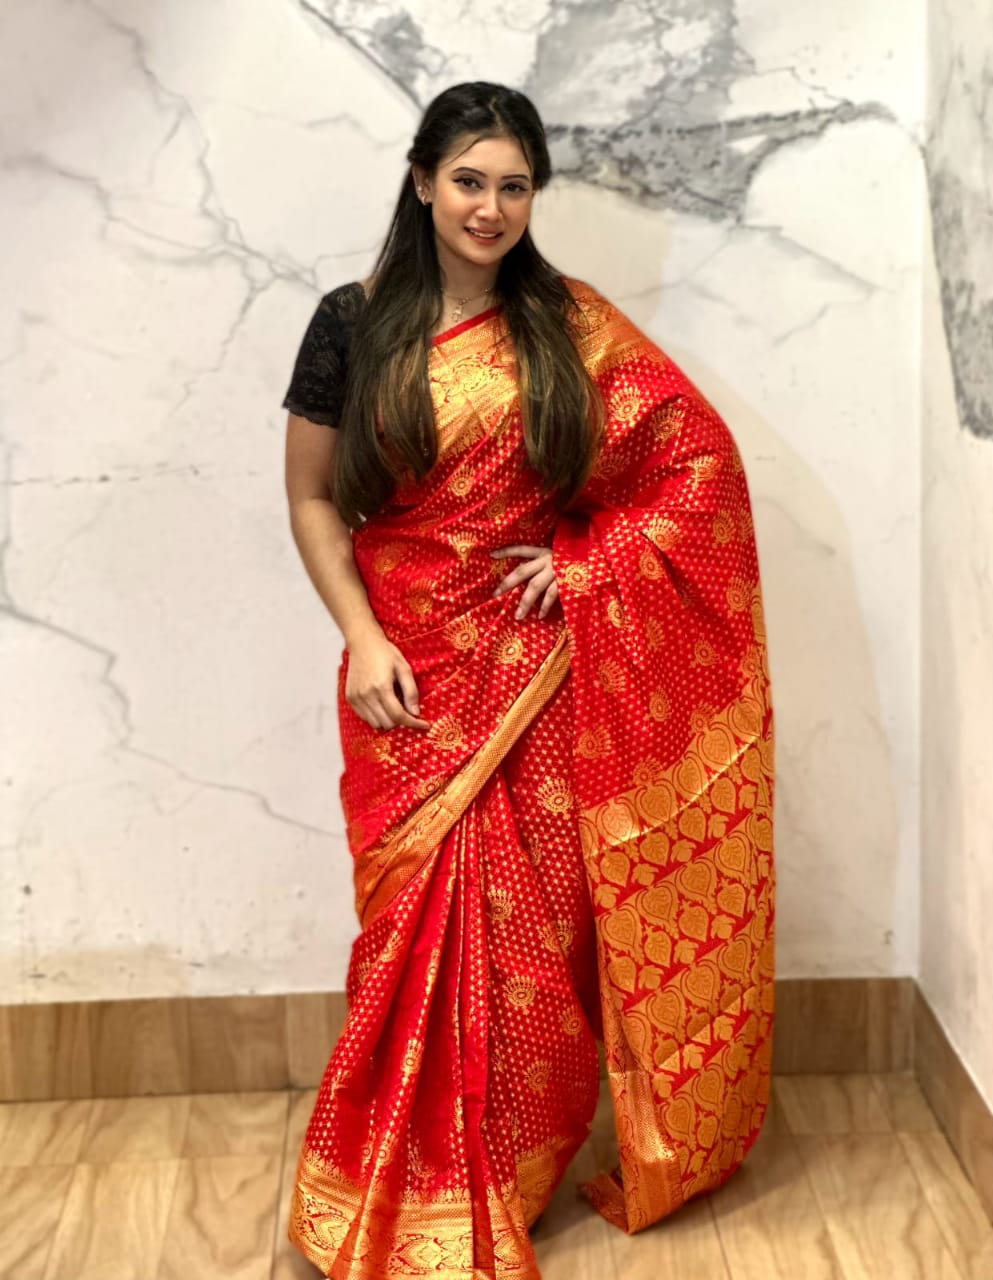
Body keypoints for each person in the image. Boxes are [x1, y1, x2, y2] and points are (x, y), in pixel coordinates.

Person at [281, 80, 775, 1280]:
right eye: (469, 180)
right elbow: (311, 496)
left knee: (534, 948)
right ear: (421, 183)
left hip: (536, 680)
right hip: (407, 673)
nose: (490, 207)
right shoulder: (352, 323)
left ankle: (496, 1178)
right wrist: (363, 636)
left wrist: (588, 565)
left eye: (514, 185)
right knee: (406, 935)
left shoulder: (570, 324)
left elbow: (698, 469)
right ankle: (378, 1186)